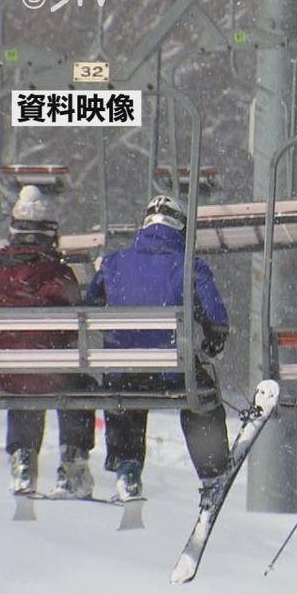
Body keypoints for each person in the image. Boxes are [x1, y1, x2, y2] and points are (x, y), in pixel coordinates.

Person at [85, 195, 230, 503]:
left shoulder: (113, 263)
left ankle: (128, 468)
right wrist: (212, 344)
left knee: (126, 392)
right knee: (201, 398)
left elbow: (89, 309)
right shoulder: (190, 265)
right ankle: (212, 473)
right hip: (173, 374)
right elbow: (217, 319)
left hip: (125, 373)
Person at [0, 186, 94, 497]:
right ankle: (72, 466)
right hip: (51, 371)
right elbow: (74, 325)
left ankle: (23, 463)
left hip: (6, 373)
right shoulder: (59, 273)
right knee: (75, 382)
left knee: (24, 379)